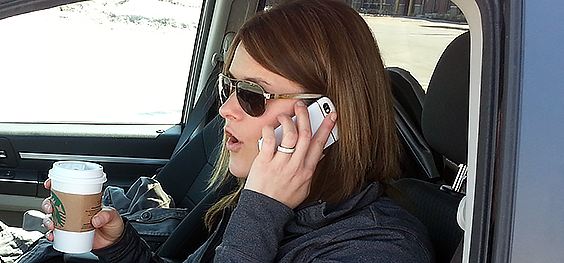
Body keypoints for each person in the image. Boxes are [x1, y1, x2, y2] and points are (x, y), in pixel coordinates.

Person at [39, 0, 435, 262]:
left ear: (326, 113)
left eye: (251, 94)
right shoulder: (266, 199)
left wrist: (261, 211)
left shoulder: (378, 248)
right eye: (228, 86)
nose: (226, 109)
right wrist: (120, 245)